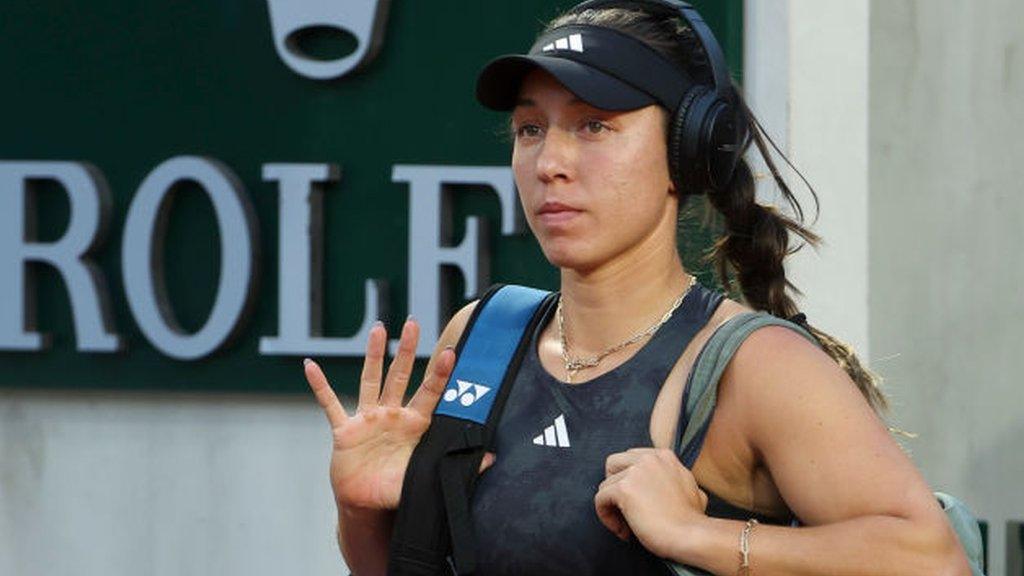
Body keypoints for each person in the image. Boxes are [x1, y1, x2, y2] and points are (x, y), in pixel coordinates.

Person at [303, 3, 972, 575]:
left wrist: (702, 536)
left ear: (685, 153)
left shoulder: (755, 367)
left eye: (594, 125)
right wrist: (361, 511)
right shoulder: (482, 336)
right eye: (531, 129)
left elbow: (933, 558)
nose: (551, 164)